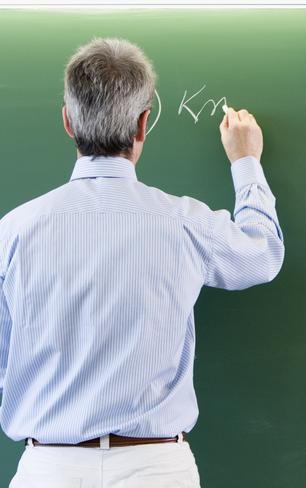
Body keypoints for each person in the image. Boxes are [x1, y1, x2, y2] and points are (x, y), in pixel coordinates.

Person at [0, 37, 284, 487]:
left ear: (68, 122)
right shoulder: (184, 221)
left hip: (48, 468)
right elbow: (262, 254)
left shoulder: (12, 232)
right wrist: (246, 163)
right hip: (156, 469)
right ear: (142, 125)